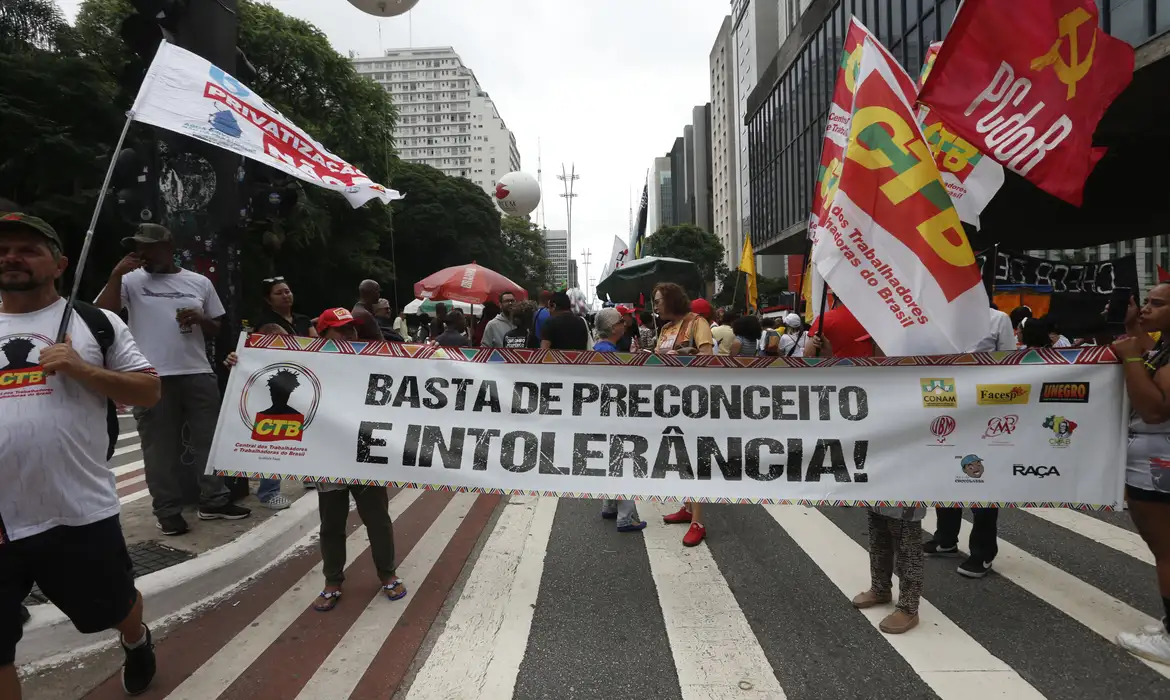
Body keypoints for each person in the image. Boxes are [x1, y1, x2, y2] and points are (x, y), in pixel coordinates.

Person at [0, 212, 162, 696]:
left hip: (76, 510)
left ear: (59, 264)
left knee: (110, 609)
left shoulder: (96, 322)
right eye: (3, 248)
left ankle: (135, 639)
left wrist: (82, 369)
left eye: (27, 249)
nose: (11, 256)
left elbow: (149, 391)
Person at [95, 223, 250, 536]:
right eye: (139, 248)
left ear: (167, 248)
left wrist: (201, 319)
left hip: (197, 371)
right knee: (158, 449)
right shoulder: (130, 281)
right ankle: (167, 511)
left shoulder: (199, 281)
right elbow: (103, 314)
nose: (144, 254)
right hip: (151, 375)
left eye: (150, 248)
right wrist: (115, 275)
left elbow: (217, 329)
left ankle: (214, 500)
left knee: (210, 439)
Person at [310, 308, 406, 612]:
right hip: (328, 454)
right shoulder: (307, 361)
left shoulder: (372, 359)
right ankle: (332, 581)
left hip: (366, 450)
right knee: (332, 521)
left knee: (377, 518)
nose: (349, 336)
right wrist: (240, 361)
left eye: (352, 330)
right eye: (341, 330)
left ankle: (387, 574)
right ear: (323, 334)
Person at [924, 305, 1020, 576]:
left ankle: (982, 552)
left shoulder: (997, 319)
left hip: (984, 412)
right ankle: (945, 539)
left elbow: (1010, 365)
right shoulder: (937, 319)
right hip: (944, 405)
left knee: (981, 479)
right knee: (945, 476)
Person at [653, 283, 714, 546]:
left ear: (672, 300)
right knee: (679, 455)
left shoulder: (696, 323)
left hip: (693, 399)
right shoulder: (665, 329)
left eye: (658, 301)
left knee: (696, 458)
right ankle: (688, 507)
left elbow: (707, 357)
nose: (655, 306)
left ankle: (698, 521)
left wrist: (679, 356)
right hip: (668, 399)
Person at [225, 323, 294, 509]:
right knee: (266, 450)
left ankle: (269, 492)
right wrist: (232, 361)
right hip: (252, 410)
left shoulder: (291, 358)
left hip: (275, 411)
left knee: (274, 448)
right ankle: (267, 492)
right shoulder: (245, 356)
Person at [591, 308, 648, 533]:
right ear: (613, 327)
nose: (625, 325)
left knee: (612, 459)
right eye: (622, 322)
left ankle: (610, 505)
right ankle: (626, 517)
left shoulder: (601, 349)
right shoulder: (609, 353)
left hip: (604, 414)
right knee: (625, 460)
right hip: (615, 413)